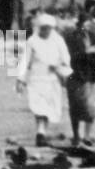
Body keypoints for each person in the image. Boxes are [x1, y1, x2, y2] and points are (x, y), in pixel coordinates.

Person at [15, 12, 71, 146]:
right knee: (38, 107)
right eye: (43, 28)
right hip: (37, 78)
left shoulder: (58, 40)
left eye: (48, 28)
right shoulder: (32, 41)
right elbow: (24, 61)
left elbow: (66, 58)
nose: (46, 31)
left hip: (53, 79)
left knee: (49, 107)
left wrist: (59, 67)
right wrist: (20, 79)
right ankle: (40, 132)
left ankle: (42, 131)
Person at [65, 13, 95, 146]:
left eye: (87, 23)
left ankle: (87, 136)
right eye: (83, 23)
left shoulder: (94, 36)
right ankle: (76, 135)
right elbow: (70, 55)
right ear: (79, 24)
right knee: (75, 106)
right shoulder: (71, 37)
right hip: (77, 75)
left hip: (92, 75)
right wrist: (88, 52)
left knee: (91, 107)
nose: (85, 26)